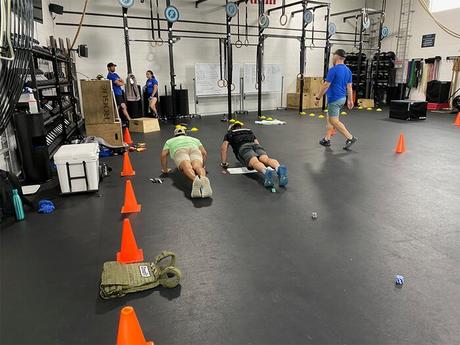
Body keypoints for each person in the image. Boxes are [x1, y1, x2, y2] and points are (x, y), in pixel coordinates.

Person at [220, 121, 288, 188]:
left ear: (231, 129)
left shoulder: (230, 134)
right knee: (266, 159)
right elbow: (257, 142)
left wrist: (224, 163)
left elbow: (224, 147)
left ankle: (266, 171)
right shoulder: (248, 131)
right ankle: (278, 167)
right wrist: (259, 153)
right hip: (256, 146)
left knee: (254, 162)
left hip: (244, 147)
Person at [314, 49, 357, 150]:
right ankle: (326, 139)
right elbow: (349, 87)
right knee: (329, 119)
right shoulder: (348, 70)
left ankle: (350, 137)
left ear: (337, 57)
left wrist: (318, 98)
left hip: (334, 99)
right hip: (342, 98)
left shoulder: (333, 70)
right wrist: (350, 100)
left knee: (334, 121)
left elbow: (325, 85)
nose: (332, 57)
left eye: (333, 55)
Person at [160, 127, 212, 199]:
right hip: (194, 149)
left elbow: (163, 155)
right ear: (185, 134)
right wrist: (203, 165)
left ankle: (195, 180)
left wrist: (165, 170)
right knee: (198, 166)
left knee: (186, 166)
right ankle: (203, 179)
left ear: (174, 135)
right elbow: (204, 153)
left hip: (180, 150)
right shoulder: (194, 139)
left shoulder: (169, 141)